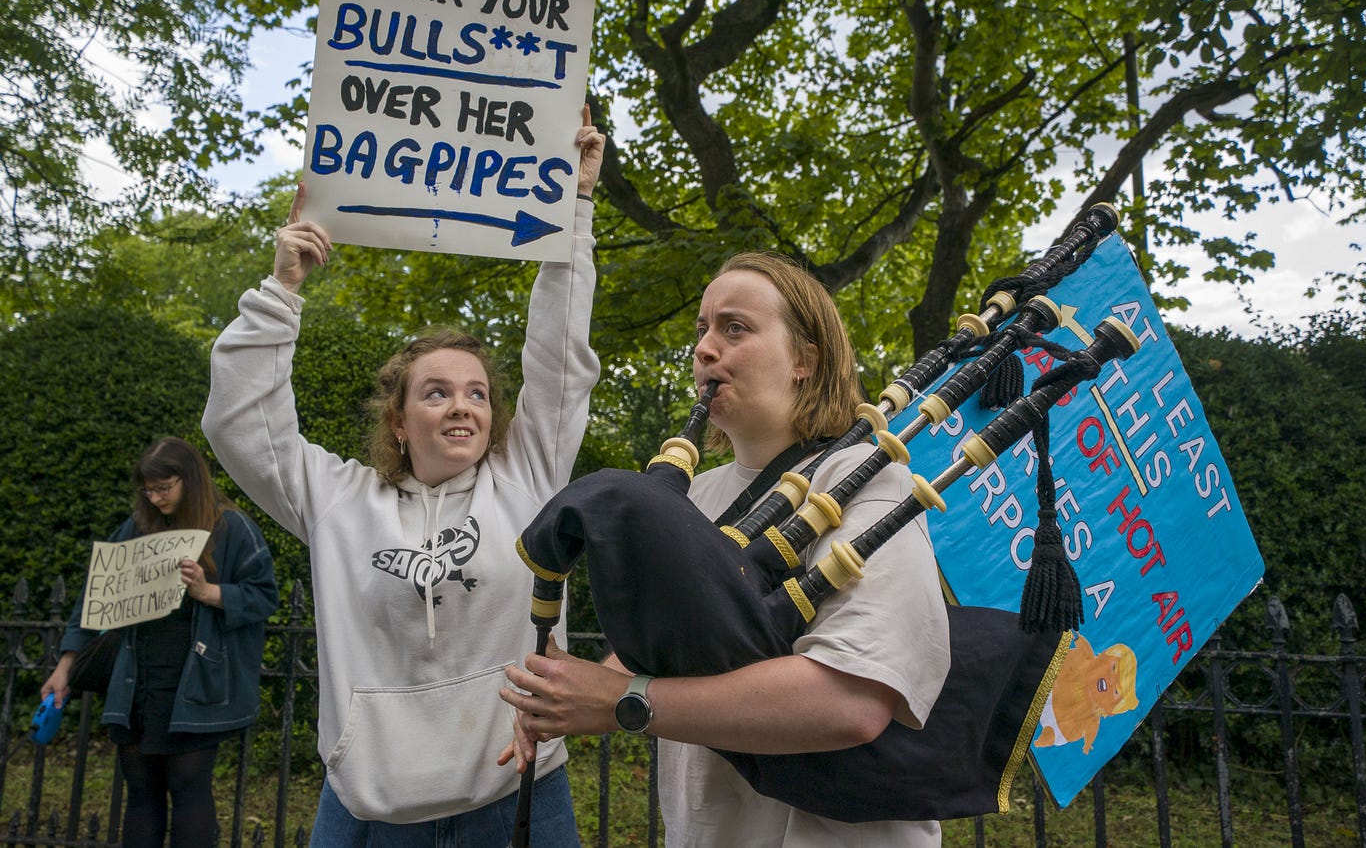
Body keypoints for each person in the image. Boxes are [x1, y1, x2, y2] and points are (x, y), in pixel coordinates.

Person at [201, 108, 604, 846]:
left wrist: (572, 207)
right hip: (368, 808)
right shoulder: (339, 499)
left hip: (518, 788)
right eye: (437, 391)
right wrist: (281, 289)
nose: (463, 405)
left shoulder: (530, 474)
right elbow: (241, 427)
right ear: (398, 420)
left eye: (478, 392)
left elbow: (559, 359)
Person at [500, 251, 953, 846]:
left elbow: (853, 699)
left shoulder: (870, 482)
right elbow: (676, 648)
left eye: (734, 328)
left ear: (803, 360)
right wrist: (576, 688)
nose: (705, 349)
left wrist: (621, 701)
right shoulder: (699, 494)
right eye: (703, 330)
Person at [42, 436, 279, 848]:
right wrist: (64, 667)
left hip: (196, 685)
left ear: (189, 479)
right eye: (146, 489)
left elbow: (264, 596)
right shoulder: (136, 527)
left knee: (189, 789)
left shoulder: (231, 526)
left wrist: (209, 593)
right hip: (137, 683)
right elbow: (94, 600)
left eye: (163, 487)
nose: (154, 498)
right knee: (142, 792)